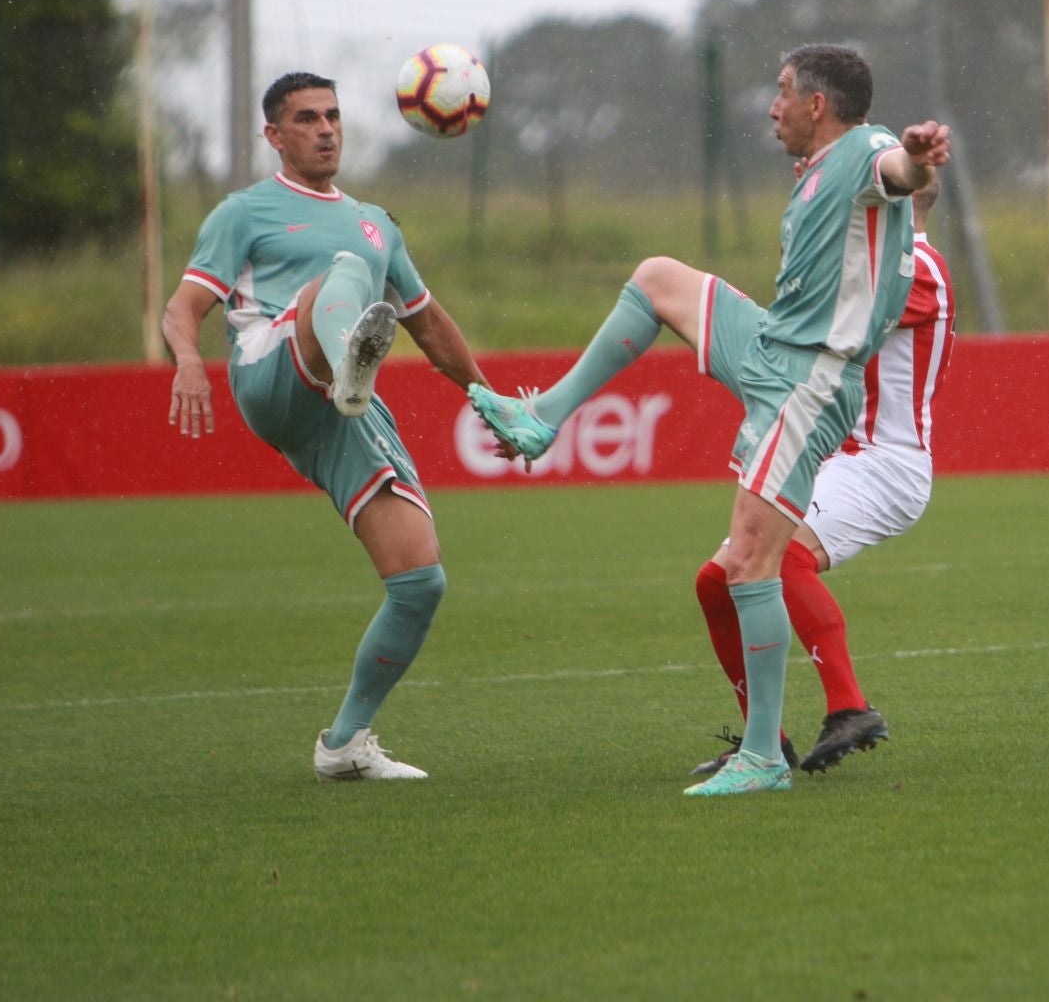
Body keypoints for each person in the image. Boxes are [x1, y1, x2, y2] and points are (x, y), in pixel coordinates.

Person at [468, 43, 949, 797]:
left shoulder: (867, 149)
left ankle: (763, 757)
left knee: (750, 563)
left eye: (783, 91)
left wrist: (917, 163)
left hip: (810, 382)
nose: (771, 105)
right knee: (658, 277)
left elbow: (900, 174)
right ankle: (543, 418)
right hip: (772, 347)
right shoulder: (820, 171)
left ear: (817, 105)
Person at [164, 71, 495, 782]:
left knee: (421, 580)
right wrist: (188, 360)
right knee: (340, 278)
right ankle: (348, 357)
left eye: (333, 116)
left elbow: (429, 323)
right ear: (274, 135)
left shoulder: (377, 220)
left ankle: (344, 742)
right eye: (307, 118)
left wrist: (488, 399)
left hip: (341, 409)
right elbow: (183, 306)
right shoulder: (244, 212)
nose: (325, 129)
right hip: (272, 371)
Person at [690, 178, 956, 779]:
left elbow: (823, 322)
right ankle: (767, 740)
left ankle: (849, 706)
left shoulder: (918, 268)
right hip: (842, 458)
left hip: (885, 465)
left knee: (778, 560)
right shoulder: (885, 264)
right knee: (717, 582)